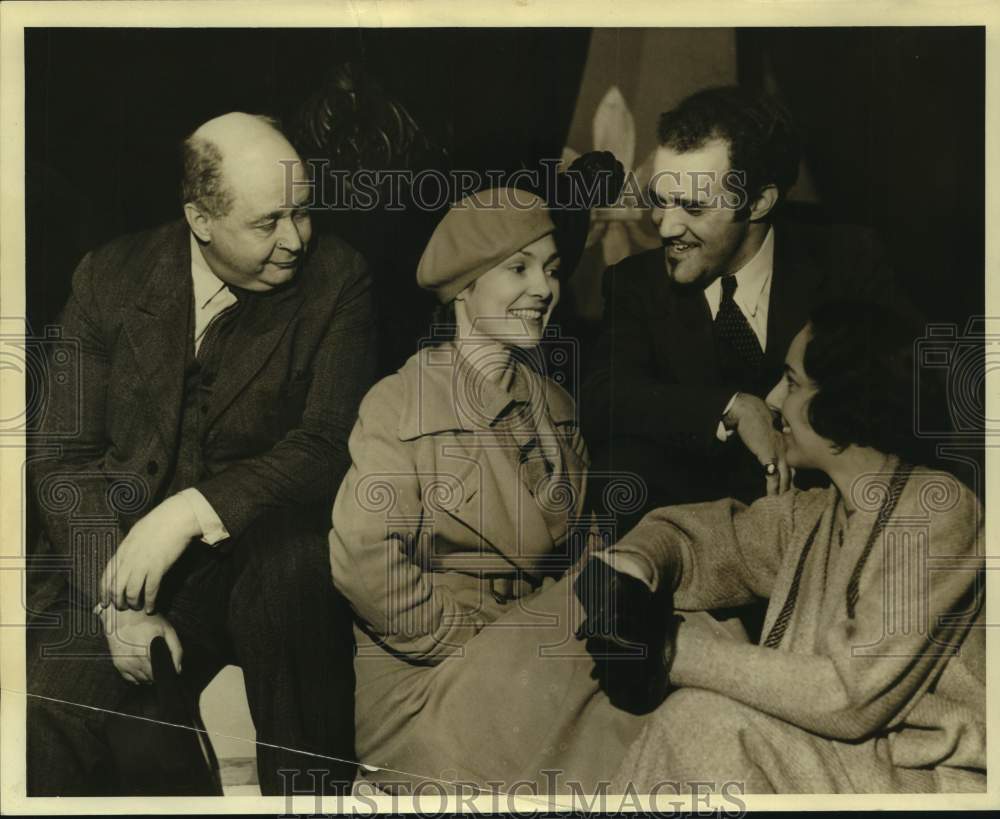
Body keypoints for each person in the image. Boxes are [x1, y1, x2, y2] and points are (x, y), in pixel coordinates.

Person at [26, 112, 375, 795]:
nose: (296, 239)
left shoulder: (340, 278)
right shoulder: (109, 277)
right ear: (200, 218)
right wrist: (115, 600)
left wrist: (194, 508)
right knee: (50, 710)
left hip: (263, 557)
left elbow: (328, 441)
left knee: (295, 578)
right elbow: (61, 456)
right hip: (123, 557)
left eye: (303, 212)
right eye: (268, 222)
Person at [329, 187, 670, 795]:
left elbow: (583, 547)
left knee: (668, 695)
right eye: (518, 268)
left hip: (528, 666)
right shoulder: (401, 402)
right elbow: (362, 559)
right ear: (464, 287)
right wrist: (464, 639)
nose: (543, 288)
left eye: (552, 269)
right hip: (428, 686)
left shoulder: (557, 408)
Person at [600, 300, 985, 794]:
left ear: (844, 399)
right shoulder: (819, 511)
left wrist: (671, 651)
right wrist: (634, 565)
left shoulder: (940, 511)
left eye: (793, 382)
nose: (774, 399)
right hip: (843, 763)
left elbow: (852, 699)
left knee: (702, 721)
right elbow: (705, 540)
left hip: (929, 784)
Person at [581, 86, 902, 535]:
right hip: (693, 535)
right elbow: (603, 396)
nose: (666, 227)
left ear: (759, 202)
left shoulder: (847, 260)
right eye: (660, 198)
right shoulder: (635, 283)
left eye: (693, 206)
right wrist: (732, 407)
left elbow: (900, 394)